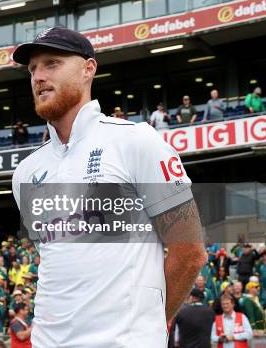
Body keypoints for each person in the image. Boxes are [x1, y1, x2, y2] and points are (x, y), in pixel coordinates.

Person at [11, 27, 206, 347]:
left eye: (52, 63)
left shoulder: (135, 141)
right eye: (33, 69)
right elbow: (51, 258)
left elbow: (190, 253)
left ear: (89, 69)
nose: (38, 76)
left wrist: (149, 324)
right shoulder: (26, 173)